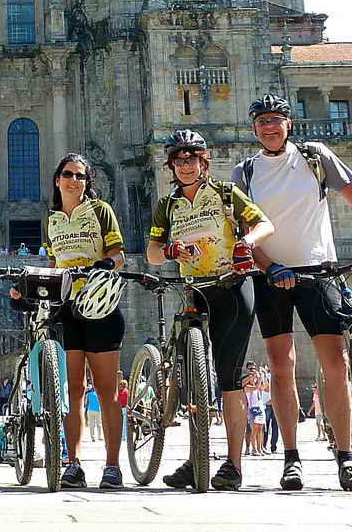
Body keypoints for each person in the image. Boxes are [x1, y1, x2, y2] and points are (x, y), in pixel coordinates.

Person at [237, 96, 352, 492]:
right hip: (271, 276)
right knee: (280, 366)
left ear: (289, 124)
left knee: (336, 363)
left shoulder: (315, 157)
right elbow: (242, 233)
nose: (269, 127)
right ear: (254, 129)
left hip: (319, 271)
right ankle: (291, 459)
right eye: (261, 122)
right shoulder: (246, 171)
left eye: (275, 120)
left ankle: (346, 457)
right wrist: (268, 266)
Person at [146, 128, 276, 491]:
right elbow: (153, 253)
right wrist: (171, 252)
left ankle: (233, 465)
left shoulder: (224, 193)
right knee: (193, 383)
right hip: (195, 292)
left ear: (203, 162)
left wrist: (245, 243)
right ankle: (196, 457)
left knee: (230, 379)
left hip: (233, 287)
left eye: (191, 158)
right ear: (172, 165)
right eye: (178, 160)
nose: (185, 165)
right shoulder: (168, 205)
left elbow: (265, 224)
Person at [40, 152, 128, 488]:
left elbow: (117, 254)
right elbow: (53, 264)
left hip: (100, 304)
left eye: (80, 175)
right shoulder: (52, 220)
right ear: (57, 179)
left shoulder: (100, 211)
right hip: (67, 308)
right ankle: (73, 463)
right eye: (68, 174)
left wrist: (107, 265)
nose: (73, 180)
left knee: (106, 391)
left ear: (87, 182)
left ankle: (112, 465)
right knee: (72, 390)